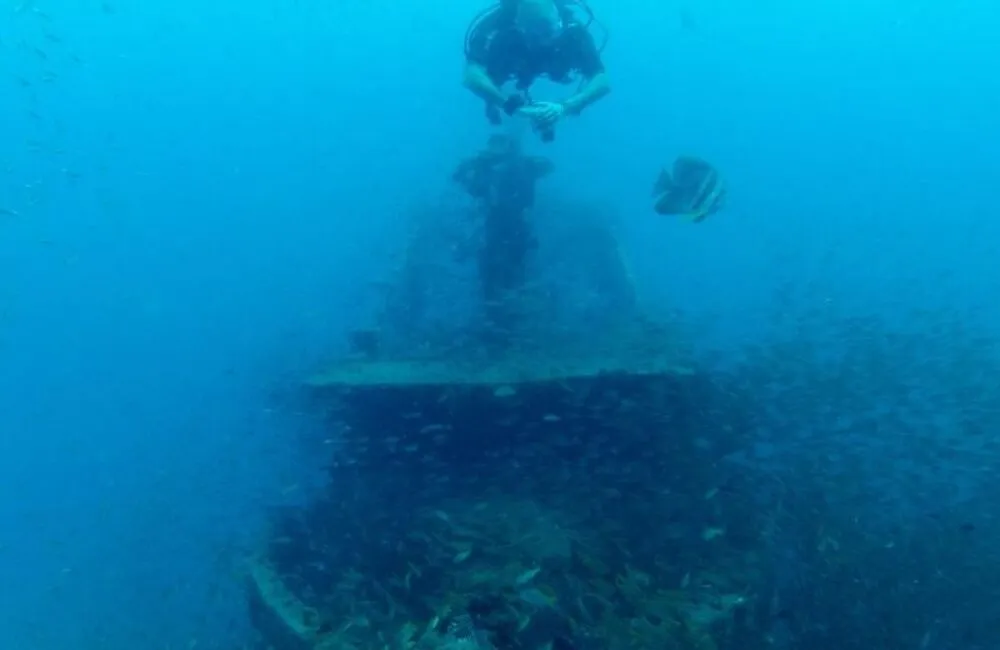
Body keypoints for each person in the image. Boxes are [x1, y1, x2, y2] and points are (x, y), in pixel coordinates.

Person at [463, 0, 611, 141]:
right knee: (494, 80)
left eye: (549, 33)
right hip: (517, 61)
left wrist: (566, 107)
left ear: (560, 23)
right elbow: (472, 75)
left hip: (549, 58)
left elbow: (602, 80)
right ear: (519, 28)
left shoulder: (573, 32)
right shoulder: (499, 34)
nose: (544, 42)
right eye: (535, 36)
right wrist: (509, 105)